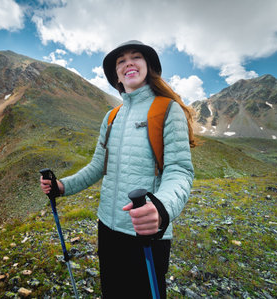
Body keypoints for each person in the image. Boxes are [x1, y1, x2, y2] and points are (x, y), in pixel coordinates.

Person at [40, 40, 195, 298]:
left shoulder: (167, 110)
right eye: (121, 61)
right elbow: (96, 167)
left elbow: (179, 171)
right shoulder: (111, 117)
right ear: (117, 76)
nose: (128, 63)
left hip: (147, 232)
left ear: (149, 67)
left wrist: (161, 208)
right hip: (108, 229)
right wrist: (62, 186)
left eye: (136, 57)